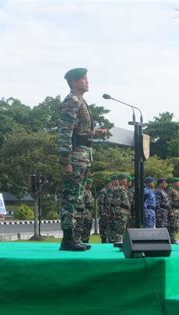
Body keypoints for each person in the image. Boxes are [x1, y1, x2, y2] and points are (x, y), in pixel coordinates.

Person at [58, 67, 108, 251]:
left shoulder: (81, 101)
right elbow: (65, 131)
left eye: (87, 78)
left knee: (78, 198)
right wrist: (65, 160)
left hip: (84, 155)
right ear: (73, 83)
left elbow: (83, 131)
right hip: (76, 157)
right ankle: (68, 239)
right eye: (83, 79)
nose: (87, 81)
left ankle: (75, 237)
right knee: (70, 198)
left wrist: (99, 132)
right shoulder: (72, 101)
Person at [106, 174, 130, 243]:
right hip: (118, 214)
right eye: (125, 179)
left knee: (121, 232)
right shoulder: (116, 189)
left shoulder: (123, 189)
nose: (126, 181)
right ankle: (115, 245)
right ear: (121, 180)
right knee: (117, 232)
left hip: (123, 213)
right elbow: (110, 202)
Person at [75, 178, 94, 244]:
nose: (90, 185)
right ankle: (81, 241)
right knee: (82, 227)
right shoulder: (83, 192)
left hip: (89, 213)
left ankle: (86, 241)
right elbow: (82, 203)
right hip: (84, 212)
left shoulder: (89, 192)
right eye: (89, 184)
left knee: (88, 227)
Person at [167, 177, 179, 244]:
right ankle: (171, 238)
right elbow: (168, 200)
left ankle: (173, 238)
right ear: (174, 182)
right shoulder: (170, 189)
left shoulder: (176, 190)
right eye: (178, 182)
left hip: (176, 210)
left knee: (176, 224)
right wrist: (170, 211)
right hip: (172, 209)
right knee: (171, 224)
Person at [97, 178, 111, 243]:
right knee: (104, 227)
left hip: (108, 212)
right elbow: (100, 202)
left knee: (107, 227)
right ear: (108, 183)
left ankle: (106, 240)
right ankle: (104, 241)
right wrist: (102, 212)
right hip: (104, 213)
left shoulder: (108, 191)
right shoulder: (103, 191)